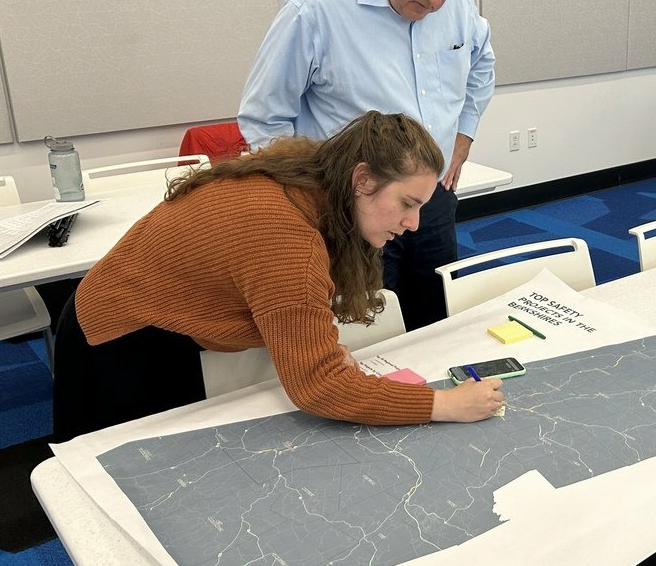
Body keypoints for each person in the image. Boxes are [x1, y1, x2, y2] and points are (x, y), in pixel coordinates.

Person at [52, 111, 504, 442]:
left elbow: (270, 301)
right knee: (118, 478)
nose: (414, 224)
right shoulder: (288, 238)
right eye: (407, 203)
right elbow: (318, 386)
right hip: (119, 337)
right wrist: (443, 404)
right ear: (363, 179)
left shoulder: (309, 179)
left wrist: (312, 345)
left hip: (152, 315)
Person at [237, 0, 495, 331]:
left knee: (435, 316)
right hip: (355, 205)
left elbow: (481, 63)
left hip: (431, 195)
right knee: (365, 328)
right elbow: (264, 117)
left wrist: (463, 136)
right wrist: (309, 200)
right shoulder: (318, 5)